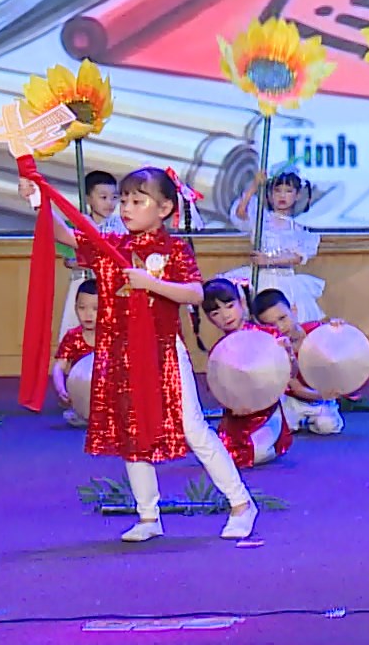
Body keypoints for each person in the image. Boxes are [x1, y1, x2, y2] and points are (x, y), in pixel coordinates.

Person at [25, 166, 257, 543]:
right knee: (131, 430)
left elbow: (195, 293)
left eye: (137, 201)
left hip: (163, 352)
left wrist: (151, 283)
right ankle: (148, 516)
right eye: (124, 200)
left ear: (164, 208)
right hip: (121, 353)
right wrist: (38, 200)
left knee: (192, 428)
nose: (127, 208)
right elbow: (66, 235)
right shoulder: (111, 246)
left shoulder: (174, 249)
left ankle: (241, 504)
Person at [197, 279, 292, 468]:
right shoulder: (219, 350)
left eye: (229, 306)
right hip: (237, 416)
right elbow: (217, 389)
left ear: (241, 302)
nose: (225, 315)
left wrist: (288, 355)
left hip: (267, 412)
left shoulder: (268, 336)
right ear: (209, 318)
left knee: (257, 453)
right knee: (225, 455)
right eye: (215, 313)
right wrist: (232, 405)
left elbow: (290, 376)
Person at [231, 172, 326, 322]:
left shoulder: (299, 229)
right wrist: (255, 185)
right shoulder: (261, 219)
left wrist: (268, 260)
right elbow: (241, 212)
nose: (282, 196)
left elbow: (298, 257)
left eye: (288, 191)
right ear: (270, 194)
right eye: (277, 191)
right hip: (261, 278)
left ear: (297, 195)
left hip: (286, 281)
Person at [251, 289, 344, 436]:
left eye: (283, 318)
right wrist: (325, 395)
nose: (280, 327)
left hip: (321, 397)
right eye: (271, 325)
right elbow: (296, 388)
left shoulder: (316, 330)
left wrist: (339, 330)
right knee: (281, 428)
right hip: (293, 400)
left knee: (327, 426)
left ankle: (324, 413)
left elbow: (341, 349)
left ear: (293, 311)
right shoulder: (274, 351)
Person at [58, 172, 122, 338]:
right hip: (82, 283)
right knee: (77, 331)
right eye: (103, 197)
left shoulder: (121, 226)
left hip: (110, 285)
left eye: (114, 197)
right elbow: (69, 260)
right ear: (88, 199)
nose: (110, 203)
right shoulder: (79, 225)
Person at [51, 280, 100, 426]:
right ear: (75, 308)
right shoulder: (72, 336)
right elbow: (59, 367)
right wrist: (61, 389)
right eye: (82, 308)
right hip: (80, 390)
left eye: (95, 309)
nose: (88, 314)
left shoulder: (110, 336)